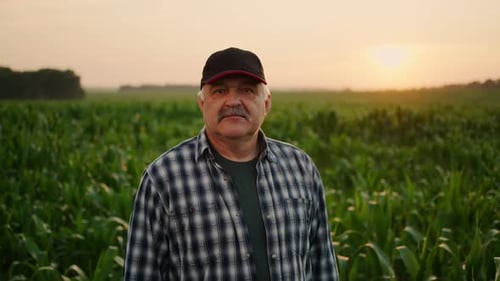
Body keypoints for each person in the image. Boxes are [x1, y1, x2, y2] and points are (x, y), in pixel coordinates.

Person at [124, 47, 340, 280]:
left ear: (266, 103)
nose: (233, 101)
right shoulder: (164, 178)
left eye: (247, 90)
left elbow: (323, 267)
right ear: (202, 104)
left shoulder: (301, 169)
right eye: (219, 91)